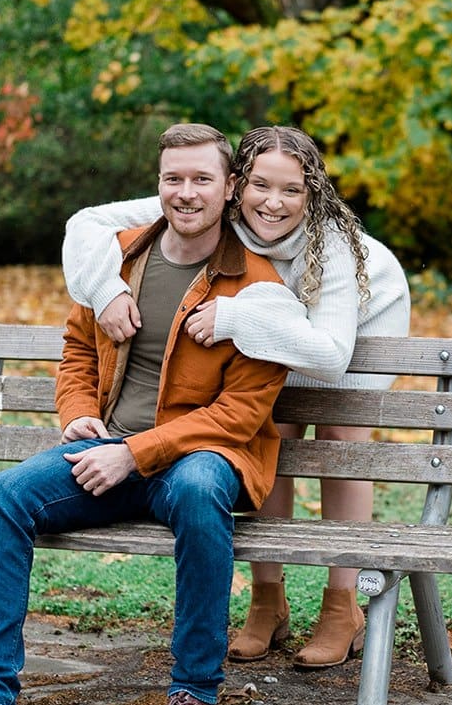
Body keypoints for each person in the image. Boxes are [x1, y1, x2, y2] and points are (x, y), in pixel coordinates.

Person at [0, 123, 289, 705]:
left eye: (202, 178)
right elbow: (78, 348)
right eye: (173, 178)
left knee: (199, 489)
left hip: (200, 457)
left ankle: (194, 701)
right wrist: (78, 413)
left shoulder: (258, 288)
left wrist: (133, 453)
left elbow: (240, 414)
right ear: (158, 184)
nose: (186, 192)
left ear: (230, 189)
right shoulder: (118, 260)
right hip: (108, 452)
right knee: (5, 494)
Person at [62, 125, 411, 669]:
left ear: (312, 193)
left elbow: (330, 356)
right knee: (268, 427)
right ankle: (267, 602)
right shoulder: (210, 201)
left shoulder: (332, 245)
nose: (273, 203)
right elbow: (85, 224)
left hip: (353, 328)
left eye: (292, 190)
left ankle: (342, 606)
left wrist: (234, 318)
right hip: (276, 329)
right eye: (260, 186)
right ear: (236, 185)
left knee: (338, 434)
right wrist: (105, 289)